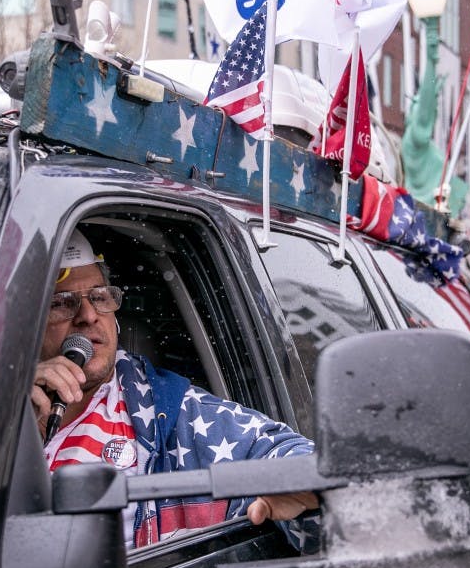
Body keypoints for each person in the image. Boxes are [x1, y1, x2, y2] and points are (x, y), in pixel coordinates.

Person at [33, 228, 319, 550]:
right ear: (24, 324)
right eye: (62, 303)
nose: (88, 316)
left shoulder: (168, 411)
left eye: (99, 297)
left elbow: (292, 458)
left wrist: (311, 485)